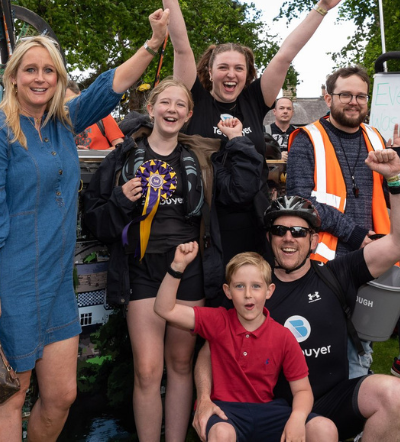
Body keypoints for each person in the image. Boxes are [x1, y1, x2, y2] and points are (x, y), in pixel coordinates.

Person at [0, 8, 170, 442]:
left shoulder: (62, 121)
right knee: (10, 397)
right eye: (30, 69)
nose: (40, 78)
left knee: (62, 395)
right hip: (11, 281)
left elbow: (110, 86)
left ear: (57, 78)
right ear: (12, 77)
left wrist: (154, 41)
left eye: (49, 71)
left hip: (56, 280)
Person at [194, 148, 400, 442]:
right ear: (269, 237)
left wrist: (395, 179)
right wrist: (204, 399)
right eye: (280, 230)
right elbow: (210, 349)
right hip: (268, 411)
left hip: (329, 402)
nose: (289, 238)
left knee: (394, 393)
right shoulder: (249, 287)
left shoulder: (339, 272)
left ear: (313, 239)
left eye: (299, 231)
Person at [83, 78, 264, 442]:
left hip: (189, 269)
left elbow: (242, 190)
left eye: (180, 105)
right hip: (142, 269)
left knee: (180, 365)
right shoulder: (124, 157)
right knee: (147, 371)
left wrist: (238, 141)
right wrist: (120, 199)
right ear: (151, 109)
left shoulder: (202, 157)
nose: (172, 110)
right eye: (165, 103)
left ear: (189, 114)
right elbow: (93, 219)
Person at [153, 0, 353, 261]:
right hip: (205, 221)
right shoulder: (195, 100)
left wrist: (322, 8)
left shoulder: (254, 99)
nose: (231, 74)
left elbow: (286, 54)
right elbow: (182, 46)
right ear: (209, 70)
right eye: (223, 67)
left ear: (248, 74)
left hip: (253, 220)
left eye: (239, 68)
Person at [285, 65, 400, 376]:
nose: (353, 102)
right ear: (327, 98)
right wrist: (355, 234)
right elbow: (302, 201)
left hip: (373, 257)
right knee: (318, 345)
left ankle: (352, 409)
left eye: (360, 96)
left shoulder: (375, 136)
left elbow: (393, 192)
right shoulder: (307, 138)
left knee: (361, 344)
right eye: (345, 95)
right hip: (323, 260)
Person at [156, 248, 315, 442]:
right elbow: (164, 309)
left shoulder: (283, 336)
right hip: (226, 412)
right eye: (239, 286)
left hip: (268, 412)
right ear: (227, 291)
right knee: (221, 433)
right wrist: (177, 266)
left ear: (269, 290)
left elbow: (303, 390)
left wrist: (297, 418)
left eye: (256, 286)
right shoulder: (217, 320)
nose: (248, 294)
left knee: (323, 428)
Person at [66, 81, 125, 150]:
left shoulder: (100, 115)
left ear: (79, 94)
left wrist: (91, 154)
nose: (70, 106)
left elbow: (120, 146)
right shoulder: (60, 125)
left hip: (101, 160)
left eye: (71, 100)